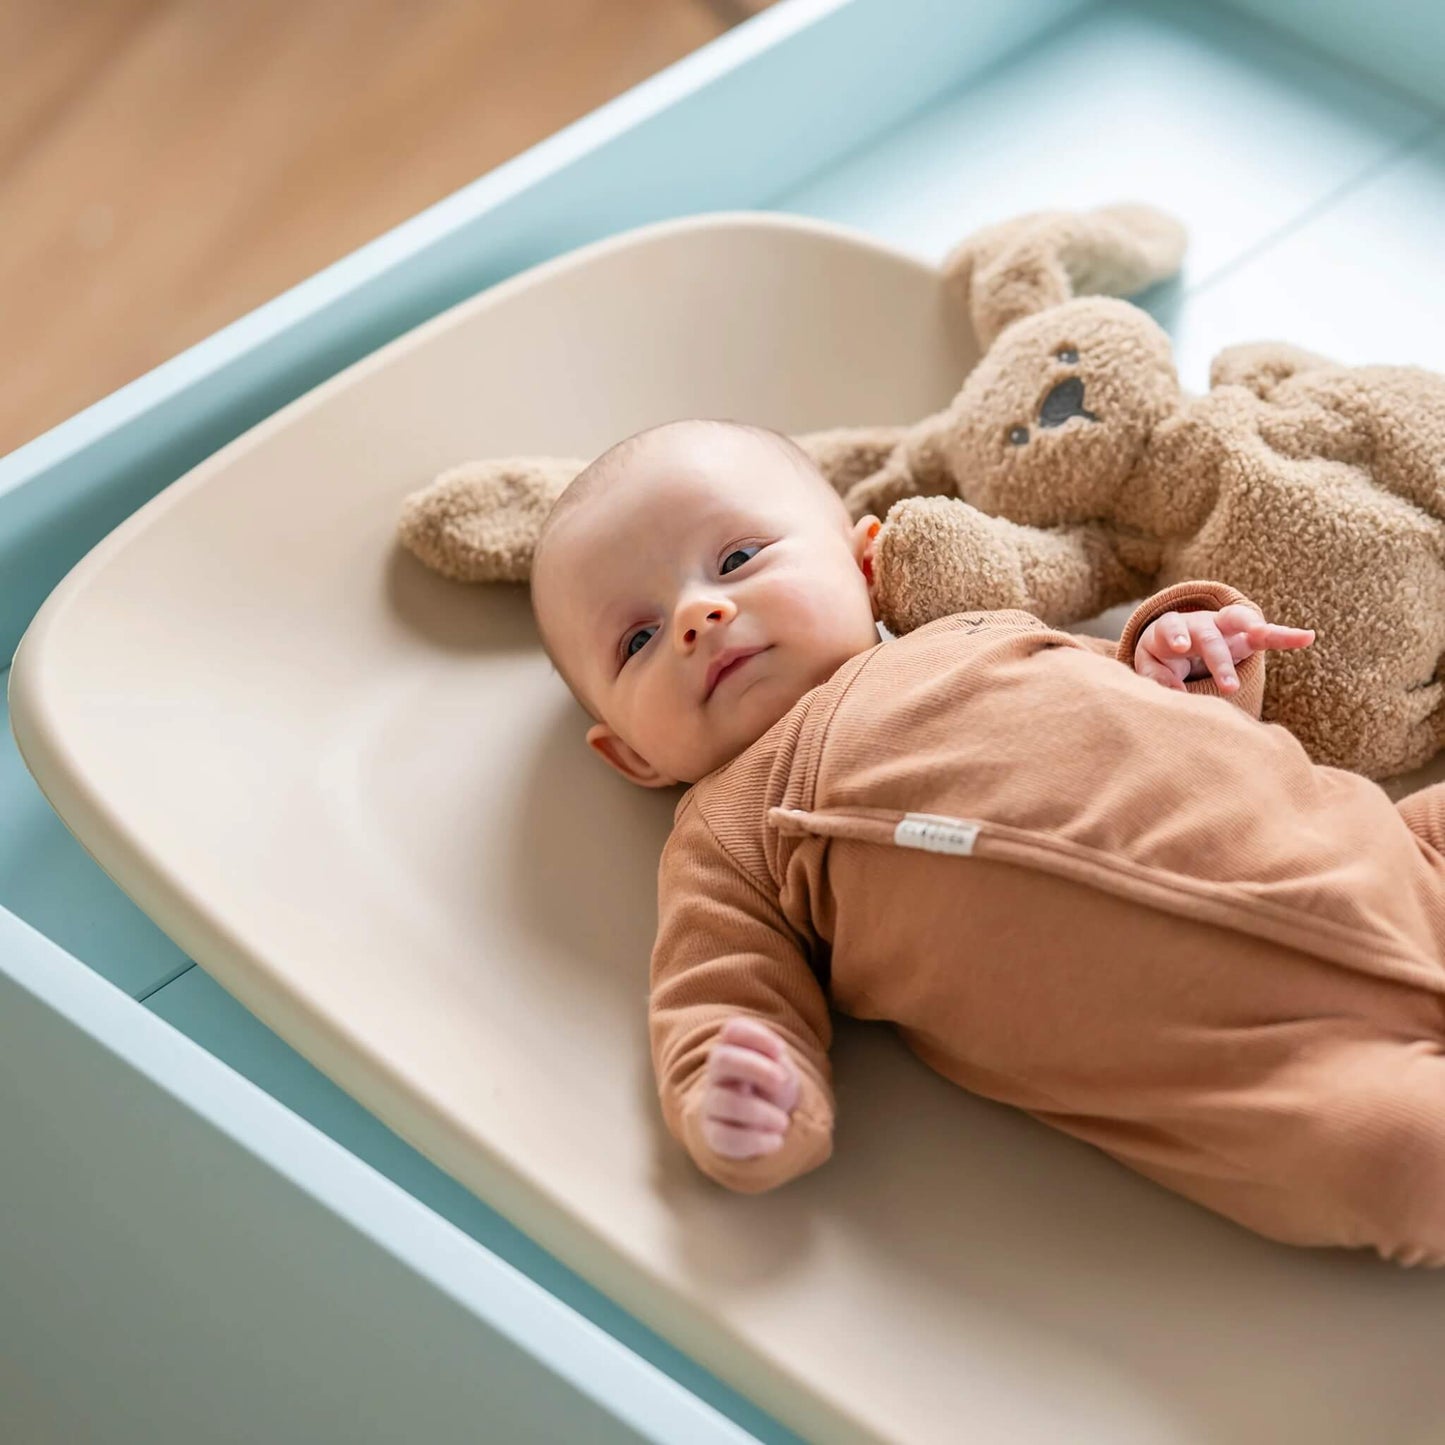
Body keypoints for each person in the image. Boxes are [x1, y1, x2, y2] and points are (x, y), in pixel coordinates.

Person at [529, 416, 1445, 1267]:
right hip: (1277, 1072)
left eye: (735, 558)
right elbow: (716, 998)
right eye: (639, 637)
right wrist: (742, 1100)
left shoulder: (976, 635)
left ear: (863, 563)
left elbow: (1167, 717)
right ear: (631, 756)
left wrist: (1181, 652)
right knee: (1403, 1163)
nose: (698, 615)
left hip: (1389, 857)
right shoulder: (726, 839)